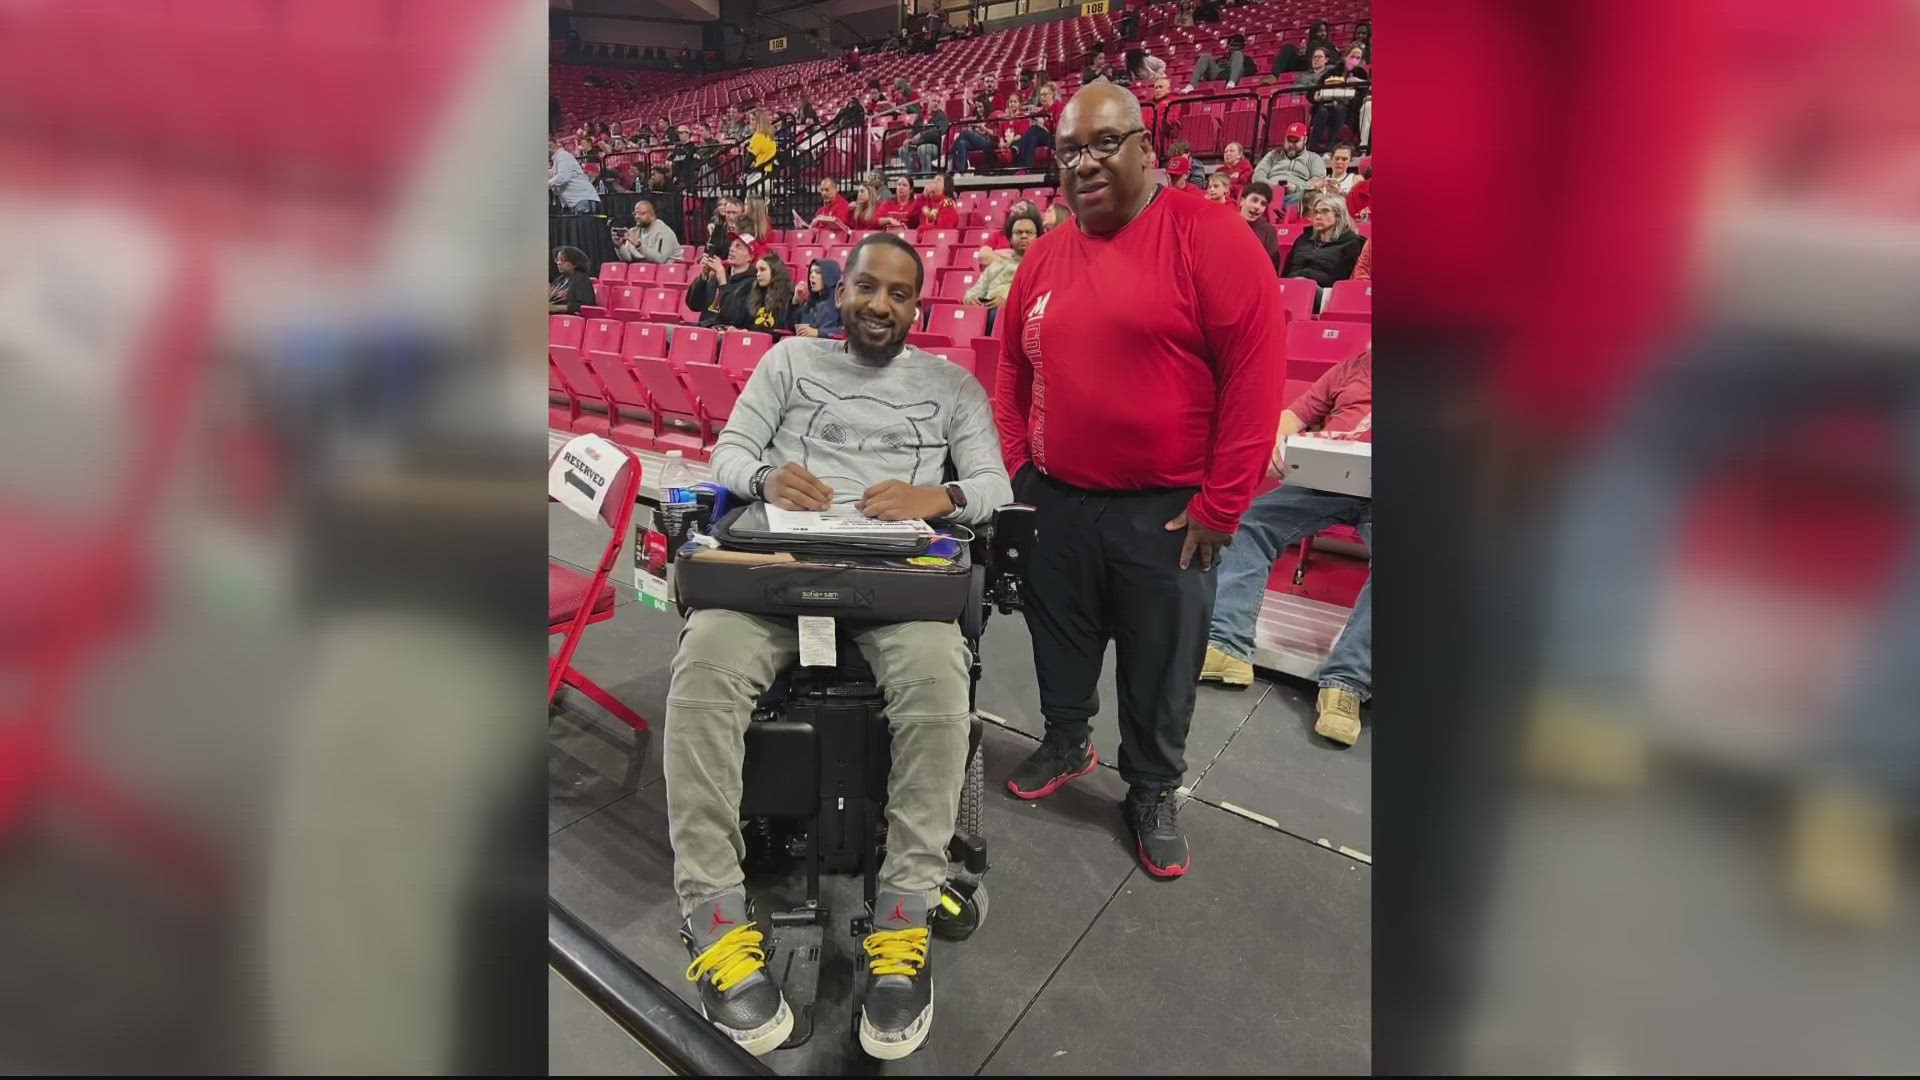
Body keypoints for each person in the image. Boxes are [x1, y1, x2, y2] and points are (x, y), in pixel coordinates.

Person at [667, 233, 1012, 1061]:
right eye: (867, 287)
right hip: (778, 573)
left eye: (899, 294)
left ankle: (903, 917)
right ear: (841, 288)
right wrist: (762, 480)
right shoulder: (789, 362)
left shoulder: (952, 387)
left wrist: (939, 493)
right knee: (701, 673)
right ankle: (713, 917)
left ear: (916, 305)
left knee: (940, 691)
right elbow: (731, 453)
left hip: (897, 588)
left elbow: (997, 487)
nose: (880, 305)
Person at [992, 83, 1287, 879]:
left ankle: (1152, 786)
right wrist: (1022, 470)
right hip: (1058, 499)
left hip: (1168, 511)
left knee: (1161, 662)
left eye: (1103, 144)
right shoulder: (1046, 254)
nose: (1084, 165)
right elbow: (1009, 373)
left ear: (1145, 148)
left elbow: (1256, 383)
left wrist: (1222, 506)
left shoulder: (1210, 235)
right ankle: (1066, 738)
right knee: (1060, 638)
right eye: (1068, 152)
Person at [1200, 350, 1372, 743]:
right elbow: (1293, 416)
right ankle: (1226, 644)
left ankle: (1346, 684)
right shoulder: (1351, 365)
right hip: (1326, 481)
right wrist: (1278, 443)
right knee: (1248, 522)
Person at [1281, 191, 1366, 287]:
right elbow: (1286, 272)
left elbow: (1341, 281)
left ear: (1338, 215)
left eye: (1325, 211)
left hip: (1324, 292)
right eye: (1316, 212)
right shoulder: (1303, 238)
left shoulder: (1351, 242)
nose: (1318, 217)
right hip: (1293, 286)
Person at [962, 209, 1041, 308]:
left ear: (1038, 238)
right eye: (1018, 233)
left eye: (1029, 233)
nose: (1024, 236)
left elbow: (1040, 299)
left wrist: (1009, 303)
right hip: (985, 311)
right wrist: (972, 298)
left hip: (1014, 315)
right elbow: (973, 291)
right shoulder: (996, 264)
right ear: (1011, 240)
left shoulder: (1041, 266)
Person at [687, 234, 760, 328]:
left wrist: (723, 282)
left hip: (727, 333)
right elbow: (693, 305)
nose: (732, 249)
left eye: (738, 247)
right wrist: (703, 277)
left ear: (751, 256)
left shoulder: (753, 283)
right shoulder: (716, 276)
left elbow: (733, 318)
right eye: (732, 245)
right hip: (704, 329)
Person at [1250, 122, 1326, 209]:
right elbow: (1257, 174)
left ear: (1305, 140)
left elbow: (1318, 181)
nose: (1291, 145)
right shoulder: (1273, 154)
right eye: (1289, 141)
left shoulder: (1313, 158)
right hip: (1269, 193)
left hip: (1296, 196)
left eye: (1296, 141)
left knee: (1312, 198)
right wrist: (1272, 187)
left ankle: (1277, 210)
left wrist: (1296, 188)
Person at [786, 258, 843, 337]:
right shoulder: (809, 303)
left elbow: (847, 331)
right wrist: (795, 302)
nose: (811, 276)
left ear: (830, 275)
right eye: (810, 272)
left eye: (818, 272)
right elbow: (790, 327)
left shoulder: (841, 302)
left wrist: (818, 333)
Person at [1012, 82, 1062, 169]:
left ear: (1052, 95)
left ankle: (1017, 147)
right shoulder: (1043, 110)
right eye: (1041, 95)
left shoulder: (1058, 106)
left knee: (1034, 130)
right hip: (1045, 137)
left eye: (1045, 94)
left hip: (1056, 139)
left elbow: (1059, 128)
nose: (1042, 97)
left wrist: (1043, 123)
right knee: (1032, 137)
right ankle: (1026, 168)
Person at [614, 202, 682, 264]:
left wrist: (638, 244)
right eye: (635, 213)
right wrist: (619, 247)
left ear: (652, 215)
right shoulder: (633, 232)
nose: (637, 217)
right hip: (646, 270)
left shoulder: (665, 232)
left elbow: (661, 259)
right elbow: (628, 259)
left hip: (669, 271)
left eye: (642, 213)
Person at [1239, 180, 1283, 273]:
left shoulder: (1269, 231)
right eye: (1254, 200)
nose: (1257, 206)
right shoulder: (1228, 224)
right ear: (1241, 201)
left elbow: (1272, 266)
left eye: (1263, 204)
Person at [548, 140, 602, 215]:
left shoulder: (562, 155)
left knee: (585, 225)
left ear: (550, 146)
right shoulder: (558, 159)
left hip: (581, 199)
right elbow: (553, 175)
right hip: (574, 202)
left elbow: (563, 178)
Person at [1185, 32, 1253, 90]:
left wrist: (1231, 67)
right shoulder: (1222, 59)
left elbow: (1251, 71)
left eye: (1236, 46)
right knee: (1205, 56)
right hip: (1218, 74)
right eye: (1231, 45)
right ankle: (1191, 85)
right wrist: (1218, 65)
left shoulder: (1247, 59)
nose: (1233, 48)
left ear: (1242, 47)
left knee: (1237, 54)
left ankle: (1232, 82)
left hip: (1235, 77)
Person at [745, 252, 794, 331]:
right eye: (757, 271)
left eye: (762, 270)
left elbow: (784, 325)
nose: (758, 274)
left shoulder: (786, 293)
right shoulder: (757, 292)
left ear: (775, 271)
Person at [548, 246, 597, 314]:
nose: (558, 263)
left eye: (562, 260)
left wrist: (555, 308)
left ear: (574, 264)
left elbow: (585, 306)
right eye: (557, 260)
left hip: (569, 319)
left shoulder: (582, 280)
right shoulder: (559, 280)